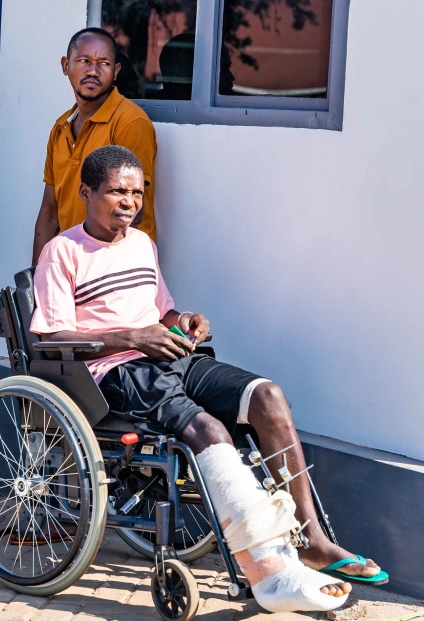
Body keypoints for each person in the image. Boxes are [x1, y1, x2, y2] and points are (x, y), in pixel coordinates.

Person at [29, 145, 387, 613]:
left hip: (169, 354)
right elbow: (51, 337)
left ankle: (312, 539)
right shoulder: (63, 252)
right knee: (209, 430)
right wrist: (131, 336)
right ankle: (267, 569)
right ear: (86, 191)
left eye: (137, 192)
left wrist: (186, 321)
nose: (130, 201)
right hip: (114, 372)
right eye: (117, 190)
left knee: (268, 396)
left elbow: (163, 312)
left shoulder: (142, 245)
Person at [32, 27, 158, 265]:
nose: (93, 70)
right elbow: (49, 214)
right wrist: (39, 276)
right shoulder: (60, 128)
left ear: (116, 71)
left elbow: (132, 211)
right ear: (65, 66)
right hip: (68, 267)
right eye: (84, 61)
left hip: (115, 270)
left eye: (104, 63)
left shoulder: (130, 122)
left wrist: (95, 272)